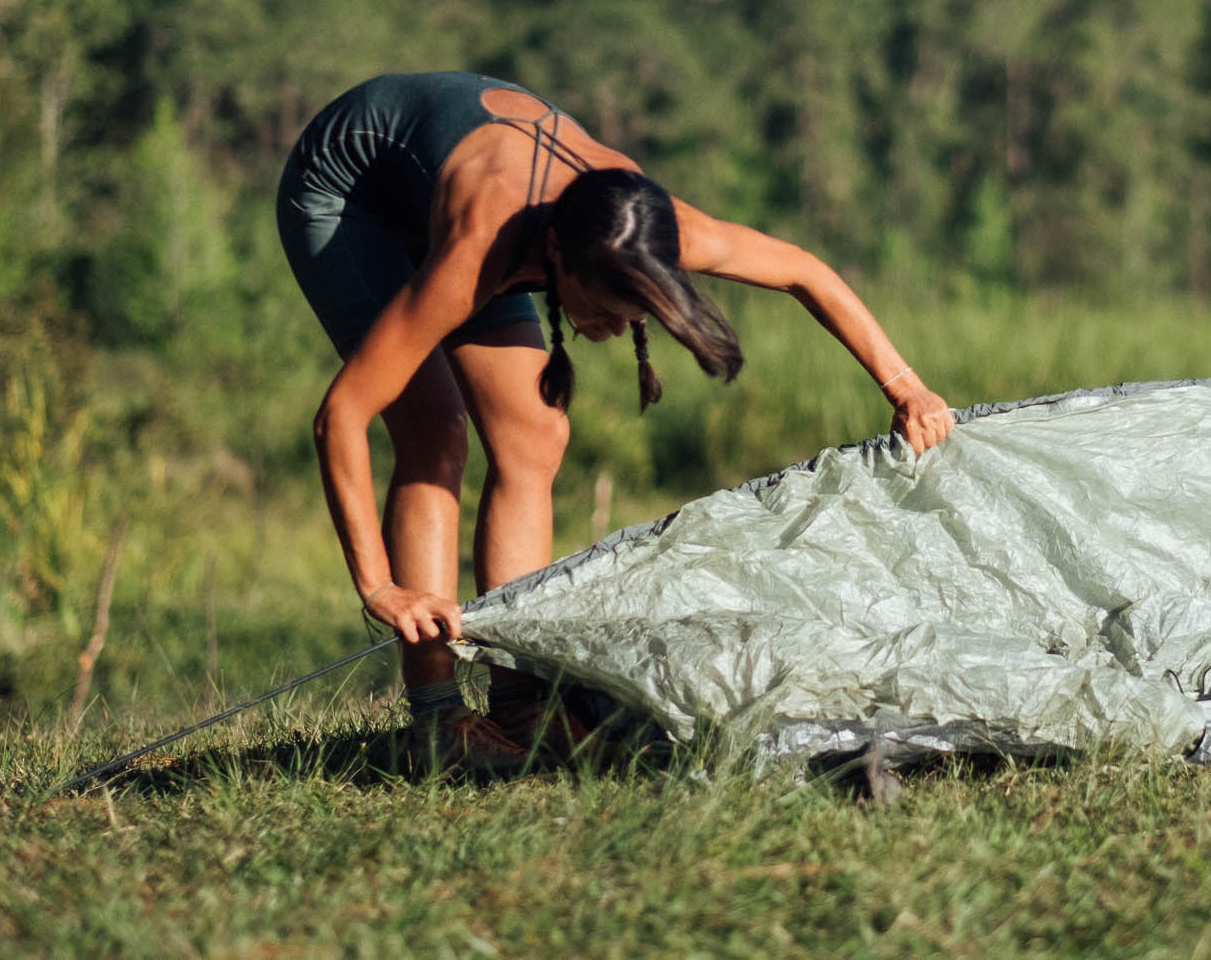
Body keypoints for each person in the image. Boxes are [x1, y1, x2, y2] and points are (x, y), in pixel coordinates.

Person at [277, 71, 956, 771]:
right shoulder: (484, 249)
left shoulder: (651, 225)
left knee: (535, 435)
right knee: (434, 431)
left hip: (461, 196)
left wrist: (905, 386)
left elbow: (804, 271)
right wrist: (378, 586)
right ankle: (437, 719)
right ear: (553, 259)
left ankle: (519, 696)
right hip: (352, 193)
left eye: (629, 315)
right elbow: (342, 415)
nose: (607, 328)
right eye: (598, 308)